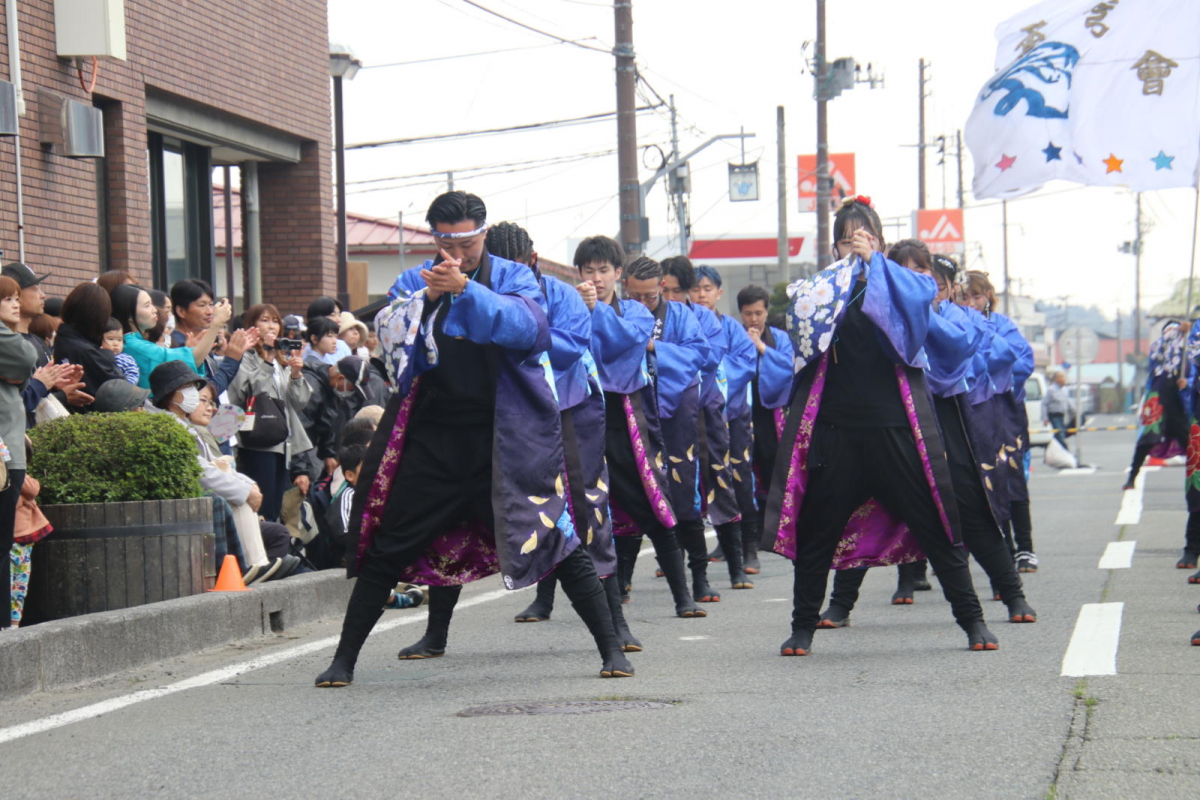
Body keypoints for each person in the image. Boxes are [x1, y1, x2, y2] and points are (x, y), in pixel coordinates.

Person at [317, 192, 632, 687]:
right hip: (435, 437)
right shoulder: (416, 280)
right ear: (434, 237)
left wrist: (466, 291)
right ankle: (344, 659)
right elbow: (390, 337)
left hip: (506, 439)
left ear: (482, 233)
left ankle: (611, 647)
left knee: (552, 534)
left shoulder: (513, 277)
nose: (456, 251)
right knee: (389, 544)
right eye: (446, 240)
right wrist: (434, 299)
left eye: (467, 240)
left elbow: (527, 328)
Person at [762, 196, 995, 657]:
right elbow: (802, 335)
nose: (854, 244)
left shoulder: (904, 283)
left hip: (895, 429)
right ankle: (802, 627)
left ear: (880, 242)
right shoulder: (818, 292)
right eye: (845, 239)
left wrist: (876, 267)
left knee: (935, 525)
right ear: (832, 248)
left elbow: (916, 317)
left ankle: (973, 621)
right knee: (817, 532)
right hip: (836, 432)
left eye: (863, 235)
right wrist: (849, 277)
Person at [489, 222, 638, 651]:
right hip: (501, 411)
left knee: (587, 506)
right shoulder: (477, 290)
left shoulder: (562, 295)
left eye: (513, 266)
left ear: (531, 261)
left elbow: (572, 345)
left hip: (570, 407)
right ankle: (437, 629)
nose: (504, 276)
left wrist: (513, 331)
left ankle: (616, 623)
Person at [575, 239, 700, 618]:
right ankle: (561, 602)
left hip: (623, 419)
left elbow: (626, 342)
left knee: (651, 503)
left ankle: (683, 595)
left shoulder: (636, 311)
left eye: (603, 270)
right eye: (588, 270)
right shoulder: (569, 306)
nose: (595, 278)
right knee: (581, 514)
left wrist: (595, 311)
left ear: (618, 274)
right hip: (581, 419)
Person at [151, 362, 299, 583]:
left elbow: (215, 465)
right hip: (186, 501)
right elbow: (201, 471)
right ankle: (254, 566)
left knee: (248, 501)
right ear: (171, 394)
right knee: (239, 500)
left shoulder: (185, 426)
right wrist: (245, 489)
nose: (195, 394)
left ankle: (257, 566)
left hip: (200, 497)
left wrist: (247, 485)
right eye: (189, 388)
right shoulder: (167, 426)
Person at [657, 257, 744, 602]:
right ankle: (637, 577)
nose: (673, 296)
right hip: (660, 412)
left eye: (680, 290)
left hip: (703, 411)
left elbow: (707, 358)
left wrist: (664, 354)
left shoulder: (704, 318)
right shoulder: (647, 314)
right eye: (667, 290)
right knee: (663, 486)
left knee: (719, 480)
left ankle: (732, 566)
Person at [961, 270, 1039, 574]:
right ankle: (997, 551)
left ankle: (1026, 548)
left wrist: (984, 373)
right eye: (964, 296)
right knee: (977, 481)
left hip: (1004, 411)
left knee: (1012, 476)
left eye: (977, 296)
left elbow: (1023, 363)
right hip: (970, 411)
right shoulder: (953, 323)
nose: (971, 302)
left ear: (988, 296)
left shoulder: (1001, 325)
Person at [690, 263, 756, 590]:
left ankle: (747, 550)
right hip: (693, 416)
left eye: (707, 289)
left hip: (731, 414)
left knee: (737, 478)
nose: (701, 294)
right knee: (692, 483)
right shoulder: (683, 322)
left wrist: (714, 375)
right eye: (696, 289)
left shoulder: (731, 327)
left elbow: (745, 363)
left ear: (719, 292)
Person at [227, 303, 314, 522]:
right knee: (261, 505)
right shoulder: (246, 357)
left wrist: (295, 375)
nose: (271, 326)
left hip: (283, 442)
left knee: (276, 505)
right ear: (252, 326)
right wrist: (265, 360)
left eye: (275, 320)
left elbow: (300, 402)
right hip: (256, 439)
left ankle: (274, 551)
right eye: (264, 320)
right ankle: (261, 552)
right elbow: (242, 392)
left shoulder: (281, 360)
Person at [737, 283, 793, 574]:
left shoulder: (780, 338)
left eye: (758, 313)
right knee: (747, 471)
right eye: (748, 314)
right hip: (743, 413)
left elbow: (789, 368)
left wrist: (761, 350)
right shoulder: (735, 336)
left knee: (775, 470)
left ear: (766, 311)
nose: (754, 319)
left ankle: (777, 533)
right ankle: (751, 533)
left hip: (772, 413)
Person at [0, 275, 38, 630]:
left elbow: (23, 373)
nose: (15, 303)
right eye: (6, 298)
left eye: (15, 297)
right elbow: (27, 360)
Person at [112, 284, 223, 390]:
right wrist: (216, 323)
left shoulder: (134, 341)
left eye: (152, 304)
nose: (154, 310)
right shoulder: (134, 345)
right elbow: (189, 361)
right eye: (147, 305)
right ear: (130, 315)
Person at [1124, 320, 1189, 490]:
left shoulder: (1186, 350)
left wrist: (1186, 382)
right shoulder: (1158, 346)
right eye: (1171, 330)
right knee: (1147, 440)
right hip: (1158, 397)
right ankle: (1132, 477)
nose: (1174, 332)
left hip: (1177, 400)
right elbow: (1166, 344)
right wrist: (1178, 331)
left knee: (1189, 441)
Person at [169, 279, 256, 396]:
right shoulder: (175, 345)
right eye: (202, 305)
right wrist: (232, 358)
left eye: (211, 305)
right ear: (181, 311)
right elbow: (207, 392)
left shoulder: (204, 341)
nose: (210, 312)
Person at [53, 283, 124, 406]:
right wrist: (107, 355)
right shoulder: (85, 351)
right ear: (99, 316)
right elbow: (119, 389)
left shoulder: (64, 338)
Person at [305, 297, 352, 365]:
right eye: (333, 315)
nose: (339, 320)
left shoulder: (343, 346)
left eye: (339, 315)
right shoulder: (309, 350)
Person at [100, 318, 139, 385]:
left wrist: (127, 386)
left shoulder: (125, 359)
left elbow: (133, 373)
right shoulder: (97, 356)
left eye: (119, 340)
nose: (116, 343)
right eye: (111, 339)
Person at [1044, 371, 1073, 449]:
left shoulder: (1065, 390)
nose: (1064, 379)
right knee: (1060, 435)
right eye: (1062, 377)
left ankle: (1055, 452)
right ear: (1056, 379)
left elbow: (1068, 402)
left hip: (1063, 415)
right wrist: (1045, 418)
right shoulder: (1051, 390)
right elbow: (1044, 404)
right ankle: (1066, 451)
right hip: (1054, 415)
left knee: (1059, 435)